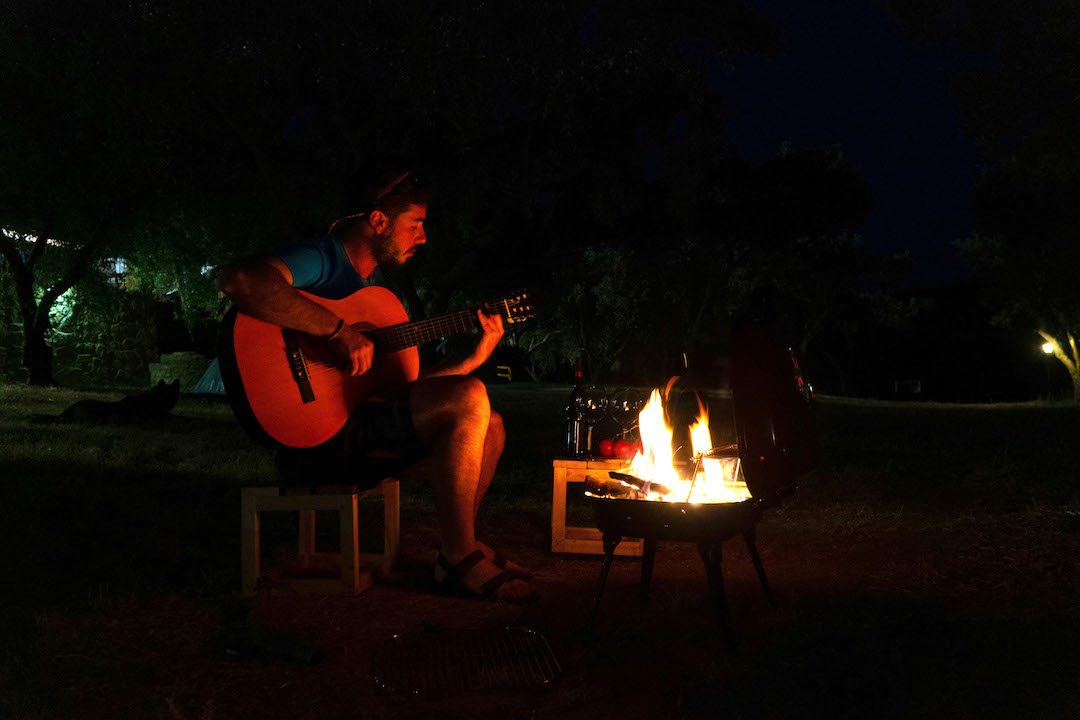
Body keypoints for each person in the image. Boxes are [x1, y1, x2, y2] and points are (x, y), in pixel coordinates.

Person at [218, 170, 535, 603]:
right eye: (415, 224)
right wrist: (335, 331)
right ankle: (463, 558)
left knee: (491, 423)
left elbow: (407, 395)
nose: (422, 238)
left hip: (362, 432)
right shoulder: (324, 257)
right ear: (379, 221)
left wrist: (474, 358)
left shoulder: (380, 297)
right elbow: (243, 281)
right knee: (471, 396)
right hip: (315, 440)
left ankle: (456, 550)